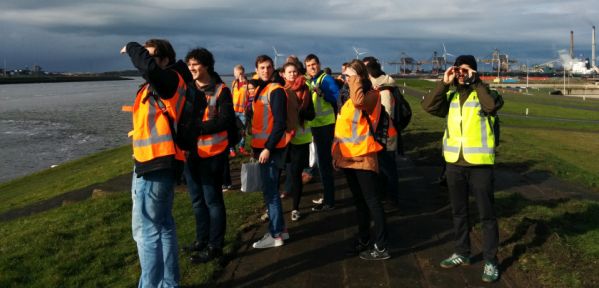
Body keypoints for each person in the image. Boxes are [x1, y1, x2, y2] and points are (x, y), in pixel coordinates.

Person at [421, 55, 502, 283]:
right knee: (459, 212)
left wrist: (476, 82)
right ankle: (462, 252)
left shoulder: (486, 92)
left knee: (487, 215)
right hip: (454, 163)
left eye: (466, 70)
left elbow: (492, 106)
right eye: (459, 69)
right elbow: (428, 106)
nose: (461, 74)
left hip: (480, 165)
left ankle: (490, 260)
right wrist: (444, 83)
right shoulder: (451, 94)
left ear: (475, 71)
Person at [121, 39, 191, 287]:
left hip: (156, 164)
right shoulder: (169, 82)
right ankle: (169, 283)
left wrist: (131, 47)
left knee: (146, 233)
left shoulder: (169, 80)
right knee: (163, 226)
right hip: (155, 161)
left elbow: (149, 69)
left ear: (164, 60)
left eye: (151, 56)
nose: (147, 61)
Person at [332, 59, 390, 260]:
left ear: (360, 77)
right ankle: (364, 238)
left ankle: (381, 246)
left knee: (372, 202)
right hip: (348, 157)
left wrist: (356, 79)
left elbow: (360, 102)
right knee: (359, 202)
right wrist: (336, 154)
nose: (346, 80)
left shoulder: (372, 95)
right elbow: (341, 127)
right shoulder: (346, 97)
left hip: (364, 156)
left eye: (349, 76)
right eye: (345, 77)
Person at [183, 48, 234, 263]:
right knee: (196, 201)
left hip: (212, 155)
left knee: (213, 201)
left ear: (206, 66)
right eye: (189, 65)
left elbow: (225, 121)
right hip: (191, 155)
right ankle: (201, 239)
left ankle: (215, 246)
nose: (191, 68)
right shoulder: (187, 90)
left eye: (195, 64)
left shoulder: (221, 91)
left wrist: (197, 128)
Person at [250, 55, 291, 248]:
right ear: (257, 70)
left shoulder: (275, 90)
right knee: (271, 190)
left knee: (271, 193)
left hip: (270, 149)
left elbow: (280, 123)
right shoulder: (261, 88)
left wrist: (267, 148)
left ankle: (274, 235)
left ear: (273, 68)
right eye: (261, 68)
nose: (265, 70)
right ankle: (281, 229)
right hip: (263, 147)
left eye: (268, 67)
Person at [304, 54, 339, 211]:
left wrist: (323, 94)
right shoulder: (312, 81)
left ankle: (329, 201)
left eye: (314, 64)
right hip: (316, 126)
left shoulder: (325, 79)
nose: (312, 67)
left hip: (326, 126)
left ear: (319, 64)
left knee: (324, 164)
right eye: (309, 65)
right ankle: (327, 197)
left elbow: (336, 97)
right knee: (322, 164)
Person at [282, 62, 315, 221]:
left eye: (295, 71)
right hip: (284, 138)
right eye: (289, 72)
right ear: (283, 74)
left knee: (295, 174)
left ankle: (295, 208)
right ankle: (273, 208)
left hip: (300, 138)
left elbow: (312, 115)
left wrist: (300, 112)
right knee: (280, 173)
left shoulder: (305, 90)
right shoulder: (281, 91)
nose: (293, 75)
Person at [366, 59, 400, 208]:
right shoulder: (380, 87)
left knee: (388, 169)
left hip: (386, 135)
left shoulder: (384, 90)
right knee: (383, 169)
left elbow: (386, 115)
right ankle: (387, 196)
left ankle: (392, 199)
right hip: (382, 134)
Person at [230, 64, 250, 156]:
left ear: (242, 73)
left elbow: (250, 98)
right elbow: (231, 95)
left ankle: (241, 147)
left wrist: (247, 108)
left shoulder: (248, 84)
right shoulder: (234, 83)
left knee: (242, 131)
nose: (235, 75)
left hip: (243, 111)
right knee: (232, 130)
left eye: (236, 73)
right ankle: (231, 149)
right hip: (233, 111)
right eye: (235, 73)